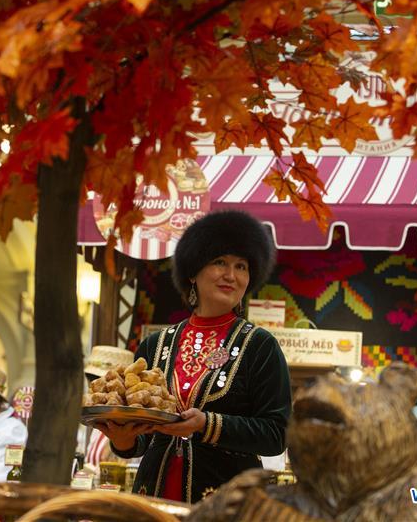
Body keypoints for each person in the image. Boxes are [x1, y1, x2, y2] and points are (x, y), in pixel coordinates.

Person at [98, 210, 292, 503]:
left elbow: (277, 434)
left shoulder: (260, 346)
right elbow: (141, 437)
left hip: (227, 503)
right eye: (220, 262)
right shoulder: (154, 345)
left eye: (241, 266)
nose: (231, 275)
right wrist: (123, 441)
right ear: (193, 271)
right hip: (154, 497)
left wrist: (207, 423)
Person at [82, 345, 135, 470]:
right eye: (92, 380)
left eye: (98, 381)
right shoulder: (97, 420)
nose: (94, 387)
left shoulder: (133, 423)